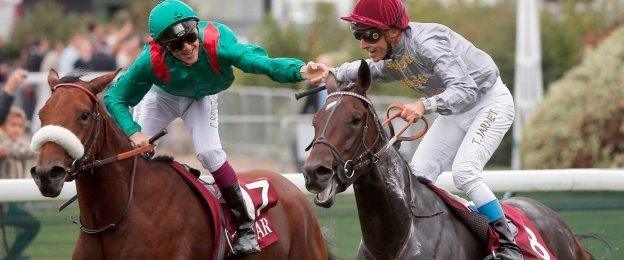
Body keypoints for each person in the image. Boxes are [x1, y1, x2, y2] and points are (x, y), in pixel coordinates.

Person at [103, 0, 326, 256]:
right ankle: (126, 218)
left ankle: (244, 225)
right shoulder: (149, 60)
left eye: (189, 36)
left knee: (209, 153)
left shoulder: (218, 41)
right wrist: (133, 131)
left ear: (196, 28)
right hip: (162, 97)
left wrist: (299, 70)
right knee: (137, 152)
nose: (187, 47)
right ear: (162, 47)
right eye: (177, 44)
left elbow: (260, 62)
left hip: (202, 98)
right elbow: (114, 97)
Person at [324, 0, 521, 259]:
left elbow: (466, 89)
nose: (363, 43)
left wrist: (423, 105)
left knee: (465, 172)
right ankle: (468, 217)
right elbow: (368, 69)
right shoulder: (393, 53)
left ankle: (508, 245)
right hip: (456, 111)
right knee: (419, 175)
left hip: (490, 103)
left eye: (369, 34)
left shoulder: (427, 43)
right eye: (358, 35)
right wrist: (329, 72)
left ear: (393, 32)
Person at [0, 106, 40, 260]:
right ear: (4, 125)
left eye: (20, 126)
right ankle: (12, 255)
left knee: (30, 225)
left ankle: (13, 255)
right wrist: (44, 147)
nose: (17, 129)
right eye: (13, 125)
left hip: (11, 204)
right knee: (32, 225)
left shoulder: (17, 142)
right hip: (4, 205)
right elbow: (23, 152)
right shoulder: (4, 143)